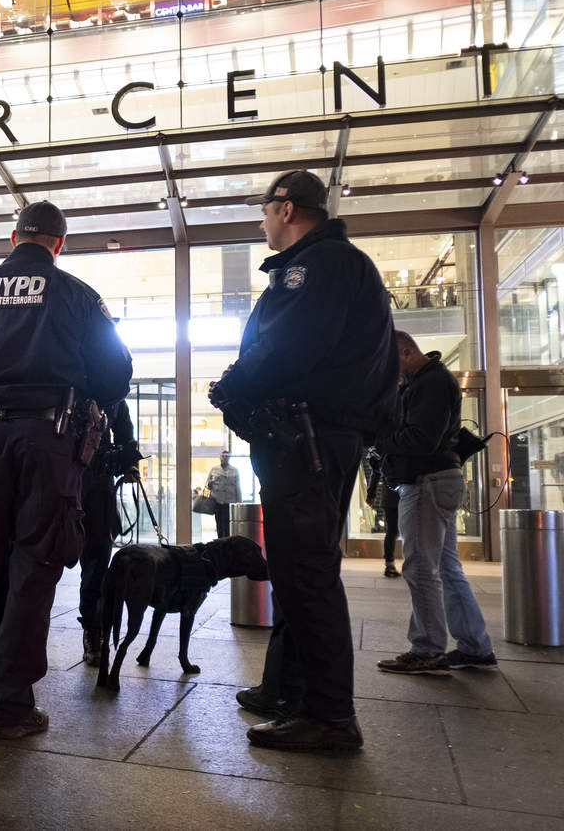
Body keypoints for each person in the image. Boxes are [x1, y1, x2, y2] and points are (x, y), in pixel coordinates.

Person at [212, 170, 398, 752]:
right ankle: (289, 688)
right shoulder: (332, 265)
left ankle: (329, 716)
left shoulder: (315, 266)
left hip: (308, 439)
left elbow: (288, 347)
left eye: (265, 209)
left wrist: (232, 385)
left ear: (287, 208)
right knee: (299, 569)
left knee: (305, 573)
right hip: (312, 438)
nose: (262, 220)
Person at [0, 200, 133, 739]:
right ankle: (12, 704)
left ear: (12, 237)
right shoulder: (76, 295)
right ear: (59, 244)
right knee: (35, 566)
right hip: (49, 442)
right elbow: (116, 376)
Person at [375, 332, 497, 674]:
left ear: (405, 351)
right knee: (446, 568)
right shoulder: (424, 382)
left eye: (390, 364)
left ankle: (427, 648)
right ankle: (474, 646)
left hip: (426, 482)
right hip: (436, 480)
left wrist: (379, 439)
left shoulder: (431, 383)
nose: (389, 373)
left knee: (420, 568)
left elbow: (420, 439)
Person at [78, 400, 141, 666]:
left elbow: (126, 435)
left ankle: (94, 629)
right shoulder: (70, 379)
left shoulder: (112, 395)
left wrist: (129, 465)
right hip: (60, 477)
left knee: (97, 562)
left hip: (98, 485)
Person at [364, 450, 401, 578]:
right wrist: (371, 493)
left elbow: (376, 472)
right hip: (401, 493)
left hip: (391, 494)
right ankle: (391, 563)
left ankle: (389, 563)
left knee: (393, 530)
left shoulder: (386, 447)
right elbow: (377, 472)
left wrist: (371, 493)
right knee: (396, 530)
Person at [205, 450, 242, 539]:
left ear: (229, 458)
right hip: (217, 502)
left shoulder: (234, 470)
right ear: (220, 457)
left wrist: (239, 501)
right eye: (223, 456)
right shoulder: (214, 470)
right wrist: (207, 495)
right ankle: (219, 541)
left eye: (226, 456)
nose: (224, 458)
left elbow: (237, 487)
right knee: (219, 524)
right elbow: (207, 485)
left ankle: (227, 542)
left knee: (228, 525)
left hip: (229, 502)